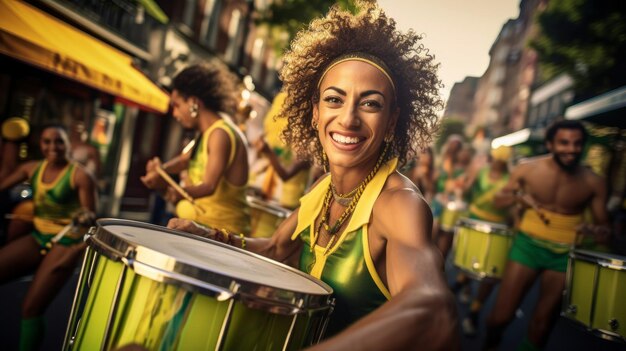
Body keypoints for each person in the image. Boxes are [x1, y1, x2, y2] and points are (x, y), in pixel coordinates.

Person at [168, 2, 458, 349]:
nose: (348, 119)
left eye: (370, 104)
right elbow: (277, 247)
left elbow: (433, 309)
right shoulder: (326, 188)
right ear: (316, 113)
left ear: (392, 122)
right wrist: (209, 235)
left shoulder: (400, 204)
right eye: (335, 100)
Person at [484, 120, 610, 351]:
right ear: (550, 144)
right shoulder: (527, 168)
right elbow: (498, 200)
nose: (571, 149)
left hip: (565, 254)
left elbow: (604, 228)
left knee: (541, 329)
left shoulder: (594, 182)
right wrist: (518, 198)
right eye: (564, 143)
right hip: (527, 246)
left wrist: (597, 230)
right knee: (500, 318)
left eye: (577, 143)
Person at [0, 124, 97, 351]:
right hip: (38, 235)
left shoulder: (81, 175)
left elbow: (91, 215)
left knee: (30, 308)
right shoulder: (32, 168)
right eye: (47, 141)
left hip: (67, 241)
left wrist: (85, 215)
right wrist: (9, 146)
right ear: (40, 144)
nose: (53, 147)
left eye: (59, 141)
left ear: (67, 145)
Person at [141, 63, 251, 235]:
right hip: (201, 230)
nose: (175, 114)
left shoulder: (220, 134)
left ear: (193, 103)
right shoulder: (206, 133)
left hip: (220, 236)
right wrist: (160, 170)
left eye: (177, 105)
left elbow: (209, 185)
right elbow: (185, 160)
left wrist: (173, 191)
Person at [450, 146, 512, 336]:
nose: (498, 163)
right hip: (474, 222)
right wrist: (469, 178)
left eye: (502, 160)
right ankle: (461, 285)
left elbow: (513, 207)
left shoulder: (511, 178)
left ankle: (474, 311)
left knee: (490, 272)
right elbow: (466, 193)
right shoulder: (482, 172)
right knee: (470, 263)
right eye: (496, 159)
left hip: (497, 229)